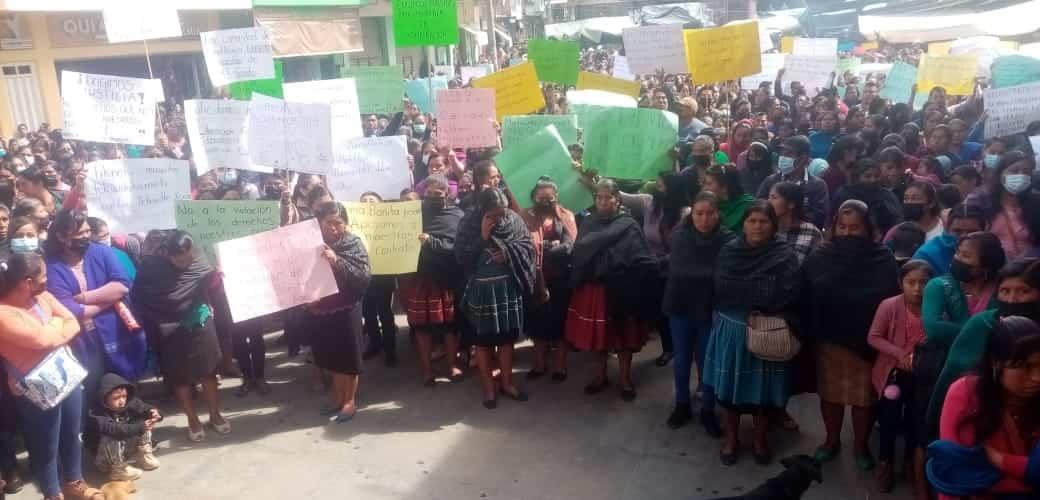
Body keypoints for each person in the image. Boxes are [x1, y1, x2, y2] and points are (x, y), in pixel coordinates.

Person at [803, 200, 900, 470]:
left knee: (864, 398)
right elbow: (806, 293)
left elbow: (891, 299)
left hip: (867, 343)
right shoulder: (821, 256)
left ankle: (860, 446)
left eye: (855, 228)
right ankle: (831, 441)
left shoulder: (882, 258)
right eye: (842, 227)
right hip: (828, 340)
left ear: (868, 229)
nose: (847, 233)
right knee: (830, 394)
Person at [703, 201, 801, 466]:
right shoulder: (729, 252)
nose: (757, 226)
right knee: (729, 391)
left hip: (767, 332)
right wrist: (761, 291)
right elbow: (721, 288)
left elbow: (788, 292)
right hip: (731, 332)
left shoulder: (784, 255)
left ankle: (759, 439)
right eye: (752, 221)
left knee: (763, 393)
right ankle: (731, 438)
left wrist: (757, 300)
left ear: (774, 225)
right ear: (743, 224)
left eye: (764, 221)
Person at [0, 252, 103, 500]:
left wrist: (51, 332)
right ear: (27, 282)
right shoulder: (3, 313)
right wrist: (55, 329)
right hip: (35, 384)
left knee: (72, 432)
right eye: (43, 276)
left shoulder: (43, 296)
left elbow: (73, 322)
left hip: (65, 373)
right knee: (45, 443)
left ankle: (74, 482)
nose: (47, 280)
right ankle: (52, 493)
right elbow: (41, 339)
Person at [926, 259, 1040, 436]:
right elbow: (954, 375)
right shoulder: (983, 324)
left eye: (1024, 291)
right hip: (984, 422)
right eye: (1005, 291)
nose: (1012, 299)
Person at [566, 180, 658, 401]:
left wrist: (612, 262)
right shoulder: (589, 223)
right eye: (599, 197)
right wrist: (601, 263)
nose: (603, 201)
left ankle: (625, 379)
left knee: (624, 337)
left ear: (618, 200)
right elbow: (580, 250)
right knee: (598, 337)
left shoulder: (628, 224)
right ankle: (600, 376)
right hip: (595, 289)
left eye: (608, 197)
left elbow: (639, 256)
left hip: (623, 288)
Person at [133, 231, 229, 441]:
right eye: (180, 260)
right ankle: (192, 420)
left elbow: (210, 287)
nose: (186, 263)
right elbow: (140, 297)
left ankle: (215, 414)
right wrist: (164, 312)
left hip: (200, 320)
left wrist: (216, 279)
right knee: (180, 377)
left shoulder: (201, 261)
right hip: (169, 328)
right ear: (168, 255)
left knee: (209, 371)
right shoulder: (151, 268)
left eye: (189, 257)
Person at [45, 210, 146, 404]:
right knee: (95, 389)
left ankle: (132, 428)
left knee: (125, 387)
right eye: (79, 233)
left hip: (117, 331)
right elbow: (72, 311)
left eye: (87, 232)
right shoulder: (52, 266)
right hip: (82, 341)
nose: (85, 237)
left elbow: (122, 285)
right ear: (61, 236)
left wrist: (82, 297)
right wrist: (107, 300)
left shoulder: (101, 251)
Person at [934, 316, 1040, 500]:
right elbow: (952, 470)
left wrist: (995, 458)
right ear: (995, 363)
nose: (1037, 377)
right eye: (1024, 366)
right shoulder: (965, 394)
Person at [456, 189, 535, 408]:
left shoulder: (514, 219)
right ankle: (489, 388)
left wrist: (508, 253)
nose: (500, 218)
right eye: (494, 214)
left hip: (508, 290)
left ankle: (507, 383)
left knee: (507, 340)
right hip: (481, 292)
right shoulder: (469, 223)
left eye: (503, 213)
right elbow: (461, 258)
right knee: (483, 343)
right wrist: (482, 238)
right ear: (483, 209)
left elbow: (527, 247)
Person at [663, 191, 735, 435]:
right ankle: (682, 404)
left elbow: (725, 276)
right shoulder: (681, 235)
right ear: (691, 214)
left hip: (710, 309)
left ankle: (708, 409)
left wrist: (707, 277)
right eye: (699, 213)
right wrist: (709, 275)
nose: (704, 219)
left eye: (710, 213)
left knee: (708, 362)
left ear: (718, 214)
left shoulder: (727, 239)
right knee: (682, 359)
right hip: (680, 306)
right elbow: (680, 270)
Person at [867, 260, 933, 493]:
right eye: (911, 282)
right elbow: (874, 337)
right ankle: (885, 462)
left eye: (923, 283)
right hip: (892, 375)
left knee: (916, 420)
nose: (917, 289)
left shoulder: (936, 308)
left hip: (923, 376)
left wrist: (920, 357)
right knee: (889, 419)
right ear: (900, 283)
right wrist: (900, 354)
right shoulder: (889, 306)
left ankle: (909, 462)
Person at [306, 202, 371, 422]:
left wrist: (337, 261)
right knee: (332, 357)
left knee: (348, 358)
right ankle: (337, 399)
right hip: (322, 309)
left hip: (347, 308)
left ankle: (349, 402)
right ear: (319, 223)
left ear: (346, 224)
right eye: (328, 223)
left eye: (338, 223)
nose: (333, 228)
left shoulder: (353, 243)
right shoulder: (309, 245)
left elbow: (363, 277)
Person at [405, 175, 465, 385]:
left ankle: (452, 365)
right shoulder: (413, 213)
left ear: (447, 194)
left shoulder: (456, 215)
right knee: (422, 328)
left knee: (449, 326)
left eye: (438, 194)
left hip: (446, 278)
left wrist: (432, 242)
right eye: (429, 193)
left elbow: (457, 248)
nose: (432, 197)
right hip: (419, 277)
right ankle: (427, 370)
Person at [521, 177, 576, 382]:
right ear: (534, 197)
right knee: (538, 323)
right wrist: (547, 246)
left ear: (556, 197)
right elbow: (523, 244)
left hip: (560, 278)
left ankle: (560, 366)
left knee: (560, 323)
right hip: (534, 278)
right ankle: (539, 364)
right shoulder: (525, 216)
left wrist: (548, 249)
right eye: (541, 197)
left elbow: (571, 244)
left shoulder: (566, 215)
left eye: (550, 198)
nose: (545, 201)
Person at [85, 373, 161, 481]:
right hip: (104, 458)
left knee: (143, 423)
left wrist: (154, 413)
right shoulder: (97, 413)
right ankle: (118, 470)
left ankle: (143, 456)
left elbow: (144, 408)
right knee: (112, 435)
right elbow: (113, 429)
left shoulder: (130, 402)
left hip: (125, 449)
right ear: (104, 397)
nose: (121, 401)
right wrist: (139, 427)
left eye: (124, 396)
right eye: (116, 398)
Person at [971, 151, 1040, 260]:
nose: (1020, 175)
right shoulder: (979, 202)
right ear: (1000, 173)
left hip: (1029, 270)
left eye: (1026, 172)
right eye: (1014, 171)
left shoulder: (1036, 203)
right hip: (991, 267)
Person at [756, 135, 831, 229]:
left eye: (788, 154)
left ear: (803, 158)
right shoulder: (771, 181)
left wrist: (791, 222)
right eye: (782, 154)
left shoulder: (817, 185)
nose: (783, 157)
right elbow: (759, 209)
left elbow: (819, 217)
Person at [358, 192, 398, 365]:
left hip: (383, 275)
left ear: (381, 203)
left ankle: (390, 350)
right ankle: (374, 344)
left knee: (385, 314)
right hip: (363, 276)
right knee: (368, 313)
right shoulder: (355, 224)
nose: (368, 203)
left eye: (372, 200)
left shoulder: (389, 223)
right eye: (364, 201)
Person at [834, 159, 904, 236]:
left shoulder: (887, 195)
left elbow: (898, 221)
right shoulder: (845, 194)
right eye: (868, 176)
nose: (873, 180)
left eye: (876, 176)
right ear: (857, 178)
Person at [913, 203, 987, 275]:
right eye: (957, 231)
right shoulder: (926, 255)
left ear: (984, 231)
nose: (964, 237)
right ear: (947, 230)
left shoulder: (991, 252)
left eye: (972, 232)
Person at [768, 182, 822, 264]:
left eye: (774, 197)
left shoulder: (811, 232)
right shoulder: (766, 229)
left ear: (791, 204)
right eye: (768, 197)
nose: (768, 202)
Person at [703, 165, 754, 233]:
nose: (704, 189)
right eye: (704, 184)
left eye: (709, 184)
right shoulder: (709, 205)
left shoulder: (749, 206)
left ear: (724, 187)